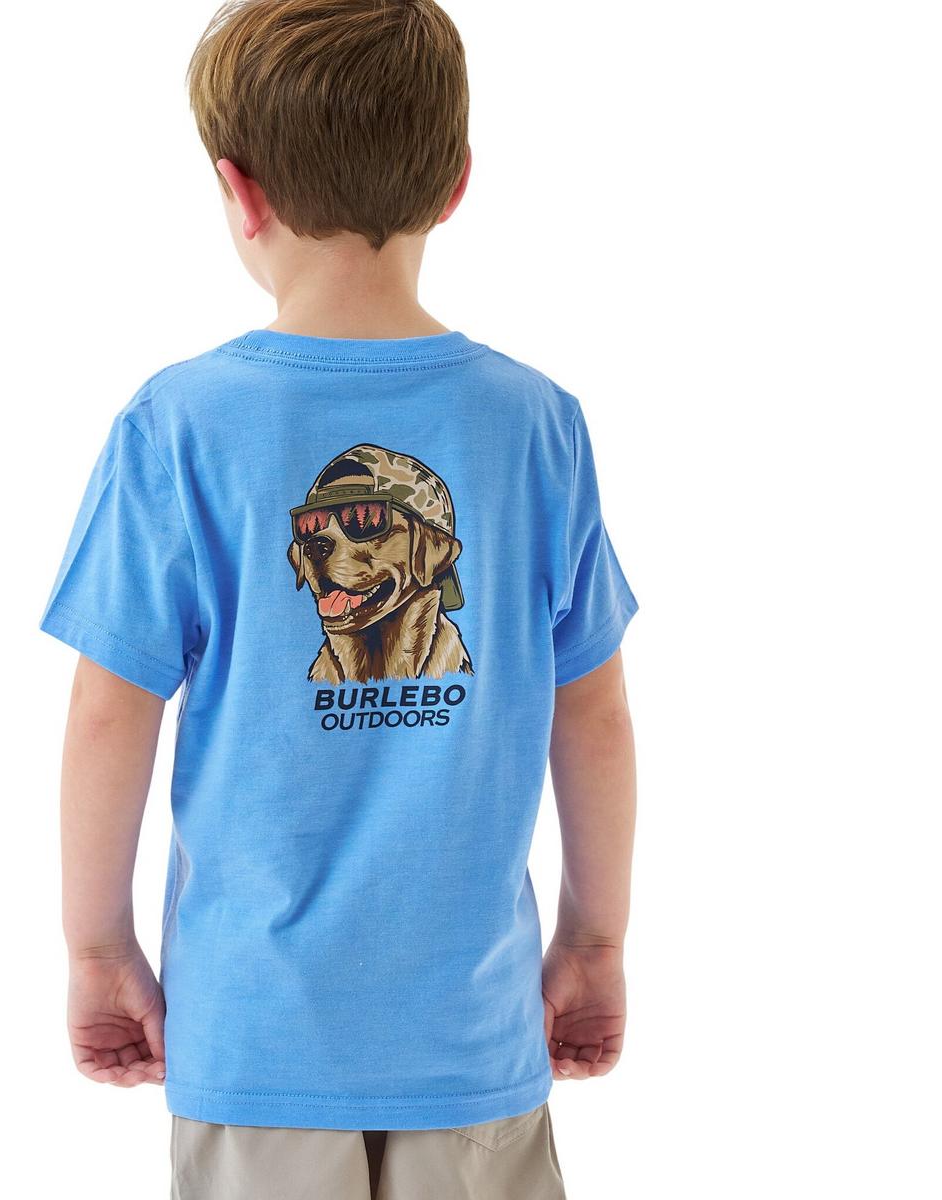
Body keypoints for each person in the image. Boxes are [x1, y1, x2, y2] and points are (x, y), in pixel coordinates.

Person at [41, 2, 638, 1196]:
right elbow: (596, 716)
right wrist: (594, 939)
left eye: (361, 533)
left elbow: (110, 713)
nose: (324, 563)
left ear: (239, 191)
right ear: (456, 183)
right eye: (315, 540)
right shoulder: (535, 424)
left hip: (256, 1041)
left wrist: (99, 949)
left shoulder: (179, 427)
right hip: (473, 1041)